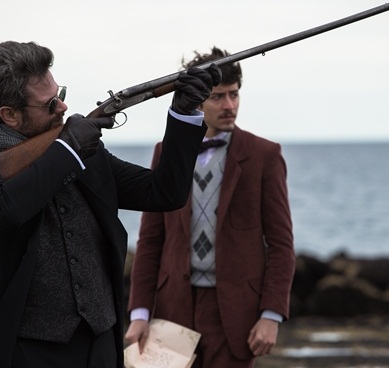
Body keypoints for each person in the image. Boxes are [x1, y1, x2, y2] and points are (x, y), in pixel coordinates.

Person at [0, 41, 221, 368]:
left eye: (61, 94)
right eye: (49, 104)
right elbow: (6, 208)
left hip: (100, 342)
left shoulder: (85, 153)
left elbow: (164, 193)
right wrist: (68, 148)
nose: (62, 107)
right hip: (22, 350)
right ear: (9, 115)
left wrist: (184, 113)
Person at [125, 47, 296, 368]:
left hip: (235, 313)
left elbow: (281, 243)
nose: (229, 105)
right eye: (218, 96)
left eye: (234, 95)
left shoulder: (264, 155)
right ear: (198, 99)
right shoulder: (167, 152)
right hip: (172, 307)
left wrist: (271, 315)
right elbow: (150, 240)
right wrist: (139, 312)